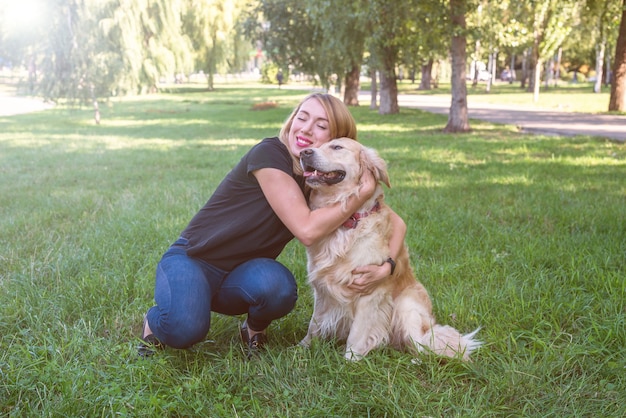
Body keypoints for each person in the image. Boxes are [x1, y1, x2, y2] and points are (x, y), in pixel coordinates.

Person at [139, 92, 407, 358]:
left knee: (278, 287)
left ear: (336, 139)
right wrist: (359, 194)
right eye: (301, 118)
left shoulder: (319, 179)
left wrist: (387, 267)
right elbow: (307, 230)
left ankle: (253, 329)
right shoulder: (269, 154)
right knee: (185, 329)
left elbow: (397, 222)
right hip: (195, 257)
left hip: (241, 270)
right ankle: (156, 320)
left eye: (321, 126)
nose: (306, 129)